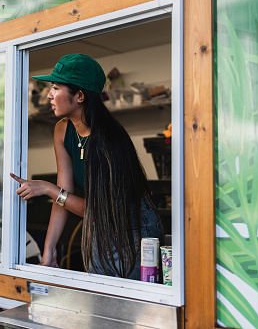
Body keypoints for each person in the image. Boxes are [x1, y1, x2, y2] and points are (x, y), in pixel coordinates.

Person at [10, 54, 163, 280]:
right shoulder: (62, 130)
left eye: (55, 88)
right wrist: (49, 252)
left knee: (125, 303)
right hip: (97, 225)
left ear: (80, 96)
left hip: (132, 226)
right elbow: (64, 195)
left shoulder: (110, 140)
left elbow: (97, 211)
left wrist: (48, 189)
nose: (49, 95)